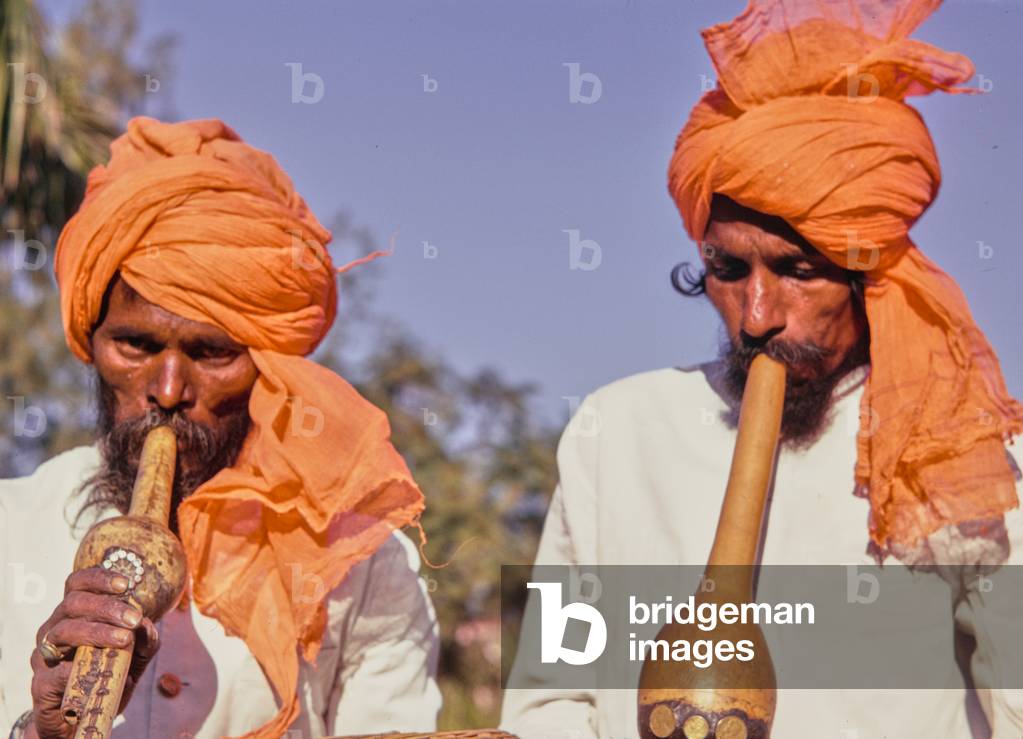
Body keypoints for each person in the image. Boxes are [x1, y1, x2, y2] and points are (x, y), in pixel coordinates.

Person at [501, 1, 1023, 737]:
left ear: (868, 275)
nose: (755, 315)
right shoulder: (614, 432)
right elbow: (550, 697)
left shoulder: (962, 455)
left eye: (797, 271)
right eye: (726, 267)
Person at [0, 117, 441, 738]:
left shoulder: (364, 568)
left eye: (212, 354)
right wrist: (46, 732)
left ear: (267, 363)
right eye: (135, 345)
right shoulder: (8, 532)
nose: (169, 391)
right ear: (91, 343)